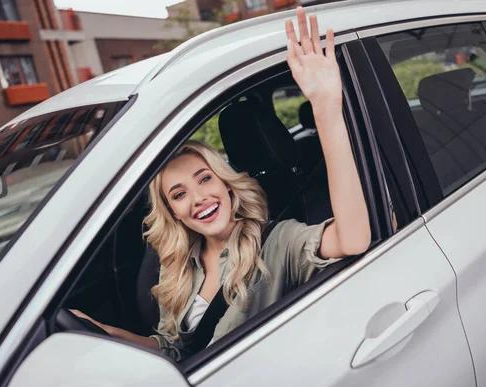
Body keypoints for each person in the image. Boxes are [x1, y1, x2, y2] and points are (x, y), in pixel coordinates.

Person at [72, 7, 371, 362]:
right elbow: (174, 351)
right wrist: (103, 333)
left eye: (205, 179)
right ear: (174, 214)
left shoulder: (277, 243)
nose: (198, 198)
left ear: (227, 185)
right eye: (179, 194)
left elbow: (353, 239)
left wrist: (325, 107)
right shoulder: (178, 267)